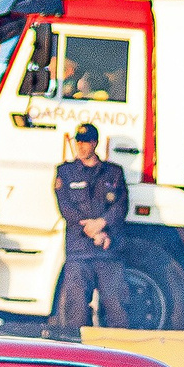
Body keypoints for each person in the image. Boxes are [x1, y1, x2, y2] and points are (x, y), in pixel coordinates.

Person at [53, 121, 129, 331]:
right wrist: (93, 231)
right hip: (79, 252)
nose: (81, 146)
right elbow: (66, 208)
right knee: (76, 314)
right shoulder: (65, 172)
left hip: (108, 251)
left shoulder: (113, 173)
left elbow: (121, 206)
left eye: (85, 142)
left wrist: (102, 224)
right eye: (78, 142)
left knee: (117, 311)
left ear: (94, 143)